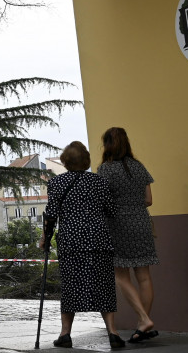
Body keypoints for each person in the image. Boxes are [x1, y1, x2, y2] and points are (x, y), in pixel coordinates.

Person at [39, 141, 125, 349]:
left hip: (71, 242)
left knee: (70, 286)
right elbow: (112, 211)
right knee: (104, 285)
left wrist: (46, 238)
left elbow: (50, 215)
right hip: (99, 240)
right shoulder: (99, 182)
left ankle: (65, 334)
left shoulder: (57, 183)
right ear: (86, 161)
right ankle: (113, 333)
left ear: (65, 161)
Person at [97, 127, 158, 343]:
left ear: (108, 145)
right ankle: (144, 325)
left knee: (121, 275)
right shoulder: (139, 167)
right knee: (144, 276)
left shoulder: (106, 169)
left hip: (118, 225)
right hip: (142, 222)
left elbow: (102, 201)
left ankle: (143, 318)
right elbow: (149, 200)